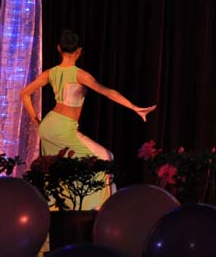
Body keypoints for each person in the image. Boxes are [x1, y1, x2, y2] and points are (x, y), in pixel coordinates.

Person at [20, 29, 157, 210]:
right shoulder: (80, 75)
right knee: (104, 159)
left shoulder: (50, 73)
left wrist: (37, 122)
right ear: (79, 51)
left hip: (49, 126)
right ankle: (101, 209)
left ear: (59, 48)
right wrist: (134, 107)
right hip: (63, 128)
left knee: (60, 172)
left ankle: (67, 212)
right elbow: (108, 92)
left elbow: (24, 93)